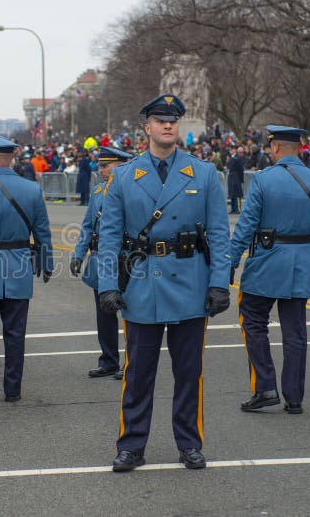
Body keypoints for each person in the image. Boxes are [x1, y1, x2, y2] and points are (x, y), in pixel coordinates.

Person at [97, 93, 231, 472]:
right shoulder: (124, 176)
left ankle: (189, 442)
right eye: (160, 119)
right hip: (142, 285)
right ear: (147, 127)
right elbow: (108, 237)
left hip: (191, 281)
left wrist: (220, 282)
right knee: (138, 374)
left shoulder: (203, 173)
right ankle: (131, 446)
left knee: (189, 374)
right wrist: (108, 284)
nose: (167, 125)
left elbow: (220, 234)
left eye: (173, 120)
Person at [230, 125, 310, 415]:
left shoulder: (263, 181)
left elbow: (246, 226)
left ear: (275, 147)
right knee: (295, 331)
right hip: (301, 263)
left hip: (267, 261)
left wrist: (230, 260)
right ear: (300, 147)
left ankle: (265, 386)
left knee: (252, 319)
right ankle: (294, 397)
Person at [0, 135, 53, 403]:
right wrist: (46, 262)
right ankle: (12, 390)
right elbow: (42, 232)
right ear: (12, 157)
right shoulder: (32, 190)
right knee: (15, 334)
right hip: (18, 268)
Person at [71, 146, 132, 380]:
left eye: (106, 165)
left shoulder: (132, 190)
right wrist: (78, 253)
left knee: (130, 312)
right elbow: (87, 226)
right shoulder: (97, 192)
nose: (101, 169)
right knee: (104, 312)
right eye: (100, 165)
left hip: (124, 257)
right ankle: (108, 360)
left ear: (120, 165)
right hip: (99, 258)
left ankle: (130, 362)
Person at [227, 148, 245, 213]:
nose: (230, 151)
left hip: (236, 177)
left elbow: (241, 169)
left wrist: (241, 179)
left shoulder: (237, 158)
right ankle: (233, 209)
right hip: (231, 177)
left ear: (234, 150)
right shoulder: (231, 158)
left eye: (231, 149)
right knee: (232, 194)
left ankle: (238, 208)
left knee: (237, 194)